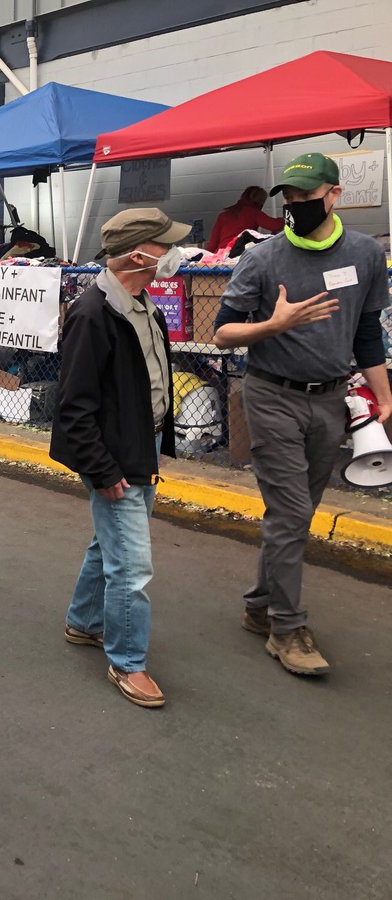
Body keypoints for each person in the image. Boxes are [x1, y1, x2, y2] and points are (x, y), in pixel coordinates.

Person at [212, 152, 392, 676]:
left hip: (332, 400)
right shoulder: (263, 258)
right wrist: (273, 324)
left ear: (334, 195)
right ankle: (287, 629)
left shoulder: (364, 254)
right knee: (291, 513)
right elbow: (223, 332)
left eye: (305, 198)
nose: (295, 206)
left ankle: (258, 605)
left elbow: (366, 334)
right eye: (287, 199)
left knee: (296, 515)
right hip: (273, 397)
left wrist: (386, 398)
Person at [50, 208, 184, 709]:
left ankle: (84, 622)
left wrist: (150, 445)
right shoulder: (93, 315)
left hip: (137, 447)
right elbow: (74, 406)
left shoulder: (140, 303)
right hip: (115, 458)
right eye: (164, 246)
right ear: (138, 254)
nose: (172, 255)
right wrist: (103, 469)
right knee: (132, 565)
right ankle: (128, 662)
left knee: (110, 545)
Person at [208, 186, 284, 253]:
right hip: (237, 255)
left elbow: (212, 244)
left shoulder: (223, 215)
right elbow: (275, 225)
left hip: (220, 255)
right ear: (259, 202)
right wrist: (286, 217)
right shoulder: (253, 213)